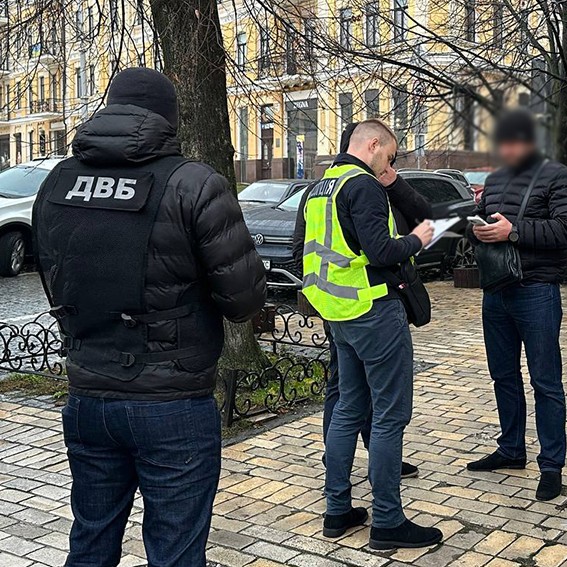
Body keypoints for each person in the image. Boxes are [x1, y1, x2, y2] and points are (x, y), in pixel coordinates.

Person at [32, 68, 266, 567]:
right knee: (175, 552)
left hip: (89, 394)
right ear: (169, 119)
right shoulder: (194, 183)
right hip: (172, 401)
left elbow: (52, 276)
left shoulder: (58, 180)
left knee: (90, 542)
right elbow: (243, 300)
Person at [301, 119, 442, 549]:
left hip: (338, 313)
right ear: (374, 144)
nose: (389, 165)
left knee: (348, 408)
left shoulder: (321, 187)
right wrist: (417, 239)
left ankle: (337, 511)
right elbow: (380, 250)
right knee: (389, 416)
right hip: (374, 310)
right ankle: (387, 521)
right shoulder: (362, 186)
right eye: (390, 156)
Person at [466, 109, 567, 501]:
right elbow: (483, 224)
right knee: (503, 375)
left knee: (545, 381)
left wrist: (514, 231)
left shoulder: (558, 176)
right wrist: (477, 228)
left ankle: (551, 465)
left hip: (537, 290)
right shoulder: (496, 179)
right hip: (496, 290)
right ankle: (511, 449)